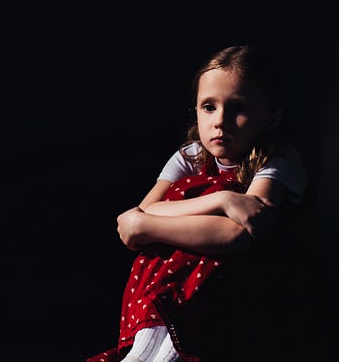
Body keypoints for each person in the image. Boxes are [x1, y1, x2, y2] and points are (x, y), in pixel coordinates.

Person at [88, 46, 310, 362]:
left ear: (271, 118)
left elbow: (237, 236)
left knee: (187, 233)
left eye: (239, 108)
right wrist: (223, 200)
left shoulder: (278, 159)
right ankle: (146, 353)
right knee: (177, 237)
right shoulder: (192, 155)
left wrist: (145, 224)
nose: (220, 121)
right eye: (209, 107)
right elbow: (134, 221)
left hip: (251, 286)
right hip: (187, 283)